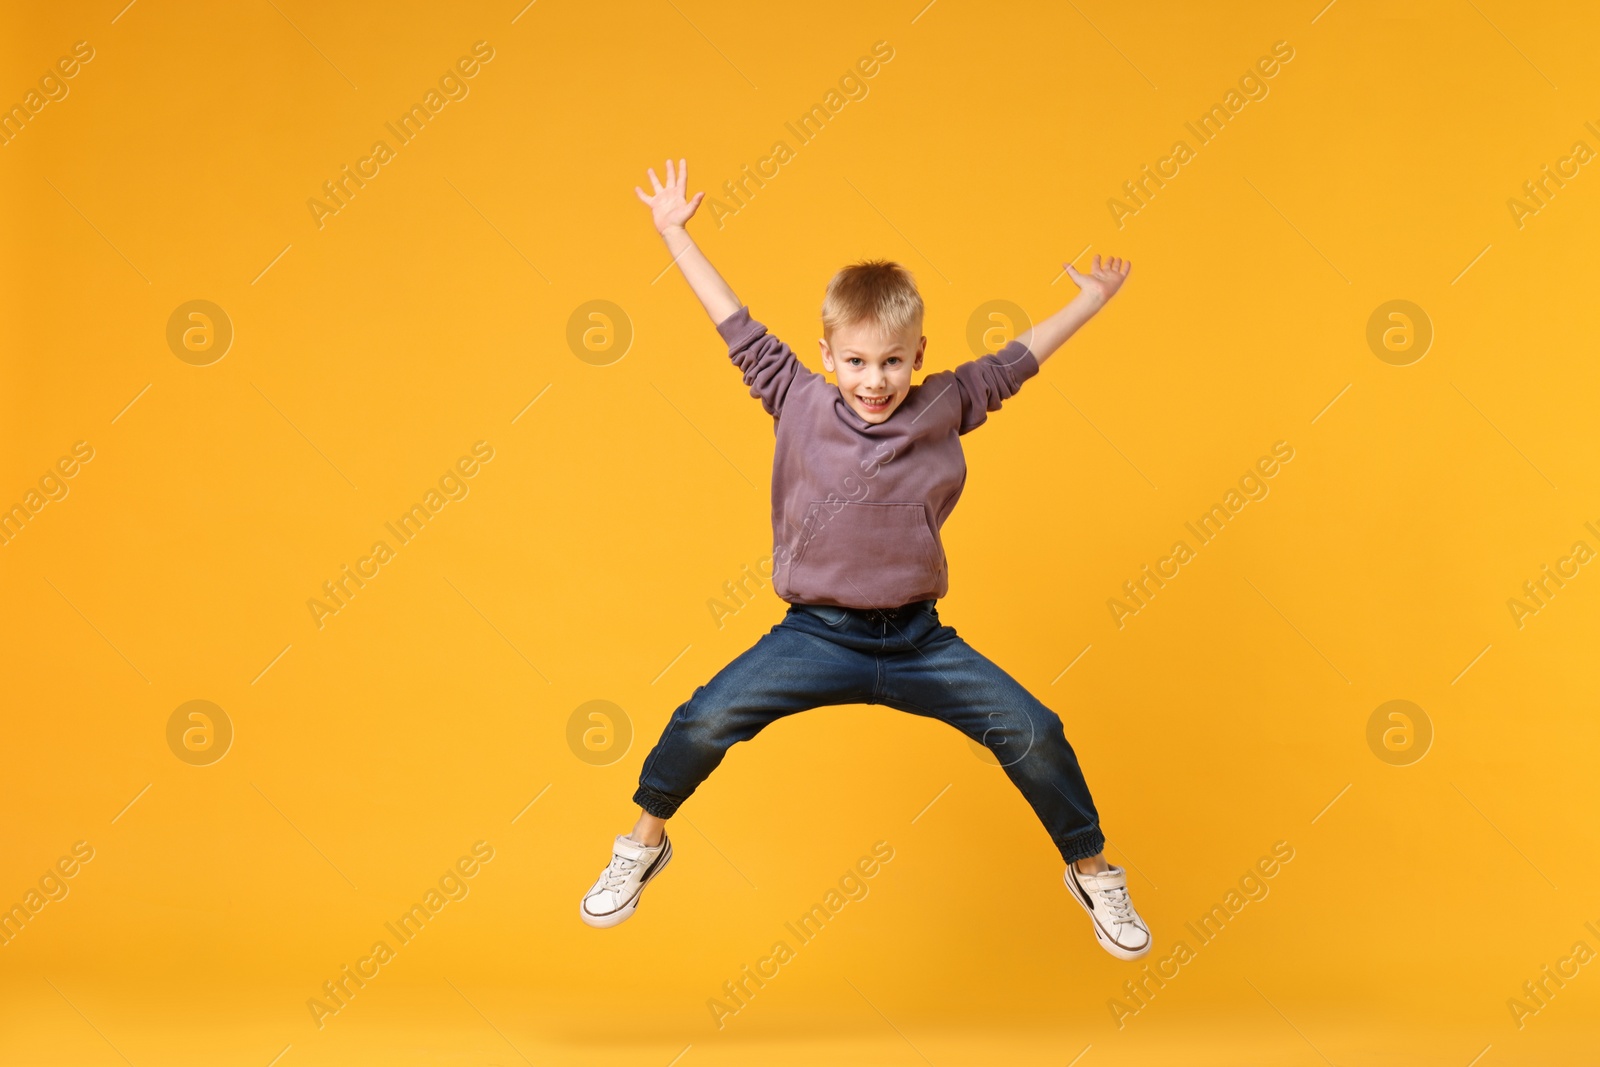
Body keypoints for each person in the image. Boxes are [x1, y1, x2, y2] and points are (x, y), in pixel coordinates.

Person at [579, 158, 1149, 960]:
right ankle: (642, 844)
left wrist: (1088, 300)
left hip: (919, 641)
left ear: (919, 354)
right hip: (815, 636)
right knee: (704, 717)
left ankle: (1094, 871)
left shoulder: (946, 402)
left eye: (891, 361)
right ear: (826, 354)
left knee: (1034, 728)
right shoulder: (794, 396)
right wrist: (675, 231)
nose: (873, 381)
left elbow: (1019, 360)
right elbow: (731, 319)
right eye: (855, 361)